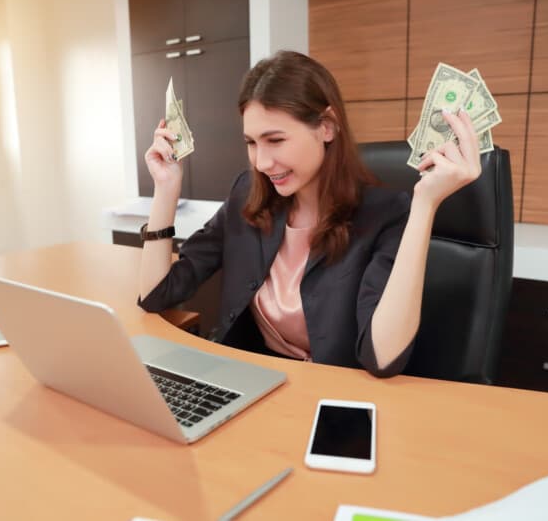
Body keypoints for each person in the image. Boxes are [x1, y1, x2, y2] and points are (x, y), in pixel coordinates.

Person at [137, 51, 481, 378]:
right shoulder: (248, 193)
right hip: (253, 384)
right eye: (252, 143)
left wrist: (425, 206)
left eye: (275, 140)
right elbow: (157, 295)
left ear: (327, 127)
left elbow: (383, 357)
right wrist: (166, 189)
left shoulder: (385, 214)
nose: (262, 162)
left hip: (332, 400)